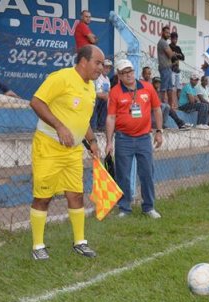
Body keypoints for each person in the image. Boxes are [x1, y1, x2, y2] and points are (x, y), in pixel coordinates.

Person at [28, 44, 104, 260]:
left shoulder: (90, 87)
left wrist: (92, 141)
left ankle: (80, 242)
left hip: (73, 151)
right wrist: (59, 126)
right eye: (97, 63)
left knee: (76, 194)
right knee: (43, 197)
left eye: (102, 64)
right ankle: (37, 246)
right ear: (83, 61)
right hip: (49, 147)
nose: (101, 68)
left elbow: (83, 120)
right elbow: (36, 102)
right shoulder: (62, 77)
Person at [105, 59, 163, 219]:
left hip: (144, 138)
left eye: (130, 71)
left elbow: (157, 109)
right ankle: (124, 208)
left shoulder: (147, 87)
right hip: (123, 139)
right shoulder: (115, 92)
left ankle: (149, 207)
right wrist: (109, 142)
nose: (129, 75)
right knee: (123, 174)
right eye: (124, 73)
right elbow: (110, 117)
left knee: (147, 173)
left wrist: (159, 131)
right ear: (119, 76)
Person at [157, 26, 176, 109]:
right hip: (164, 68)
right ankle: (161, 105)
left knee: (169, 88)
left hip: (168, 68)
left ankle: (170, 106)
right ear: (162, 33)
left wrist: (173, 53)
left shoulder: (164, 42)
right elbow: (170, 54)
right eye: (166, 33)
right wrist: (173, 53)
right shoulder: (163, 42)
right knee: (163, 88)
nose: (168, 35)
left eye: (169, 33)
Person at [90, 58, 112, 131]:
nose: (107, 69)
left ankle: (102, 126)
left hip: (103, 98)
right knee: (96, 105)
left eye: (109, 68)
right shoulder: (98, 77)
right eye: (106, 67)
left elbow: (108, 91)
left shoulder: (107, 79)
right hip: (95, 97)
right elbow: (96, 91)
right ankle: (93, 126)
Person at [169, 32, 185, 100]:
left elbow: (183, 58)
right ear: (171, 39)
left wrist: (178, 55)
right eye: (174, 39)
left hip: (177, 70)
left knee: (179, 88)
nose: (175, 40)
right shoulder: (168, 47)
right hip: (171, 69)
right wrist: (175, 55)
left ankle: (179, 104)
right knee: (172, 88)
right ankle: (171, 104)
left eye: (176, 39)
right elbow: (169, 57)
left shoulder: (178, 48)